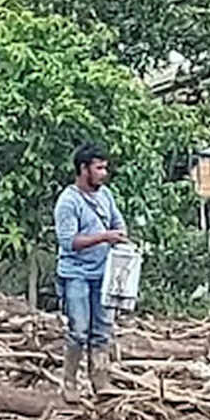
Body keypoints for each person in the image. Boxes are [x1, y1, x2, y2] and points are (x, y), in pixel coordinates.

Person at [54, 143, 128, 402]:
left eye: (104, 168)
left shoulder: (106, 195)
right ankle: (70, 381)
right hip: (76, 273)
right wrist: (104, 237)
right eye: (98, 168)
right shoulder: (68, 201)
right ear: (83, 169)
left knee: (102, 329)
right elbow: (68, 242)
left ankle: (100, 378)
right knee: (78, 330)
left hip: (103, 273)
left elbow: (118, 222)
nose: (103, 173)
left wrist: (119, 235)